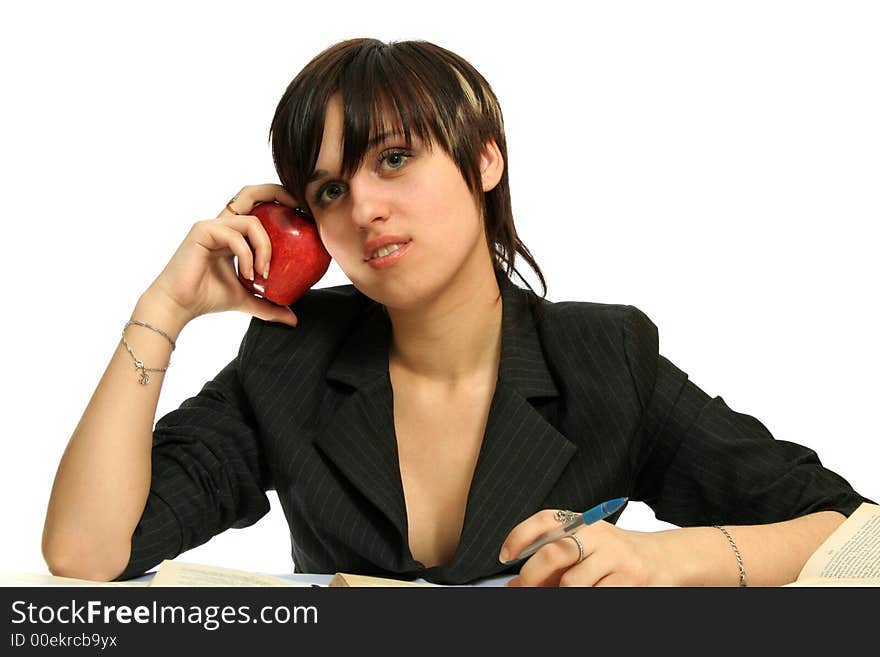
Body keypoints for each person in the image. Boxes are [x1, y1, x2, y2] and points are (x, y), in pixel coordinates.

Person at [42, 37, 873, 587]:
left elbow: (852, 533)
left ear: (484, 159)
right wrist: (164, 310)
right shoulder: (287, 363)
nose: (363, 205)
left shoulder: (603, 356)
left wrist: (669, 557)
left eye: (394, 158)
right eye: (331, 188)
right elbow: (84, 553)